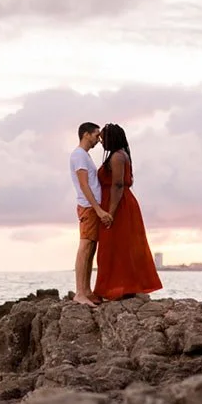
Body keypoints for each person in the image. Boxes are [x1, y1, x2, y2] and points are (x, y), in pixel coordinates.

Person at [93, 123, 163, 301]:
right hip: (119, 203)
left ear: (111, 138)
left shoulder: (117, 156)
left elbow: (117, 185)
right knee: (118, 246)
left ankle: (117, 288)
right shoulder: (119, 154)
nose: (101, 141)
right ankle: (121, 287)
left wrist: (110, 213)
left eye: (103, 138)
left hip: (119, 205)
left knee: (115, 246)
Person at [70, 122, 112, 307]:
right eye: (96, 136)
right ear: (86, 134)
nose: (98, 140)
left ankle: (86, 290)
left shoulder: (84, 155)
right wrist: (98, 209)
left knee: (91, 248)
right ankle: (79, 293)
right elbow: (84, 184)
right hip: (88, 206)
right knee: (85, 247)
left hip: (92, 207)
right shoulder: (79, 155)